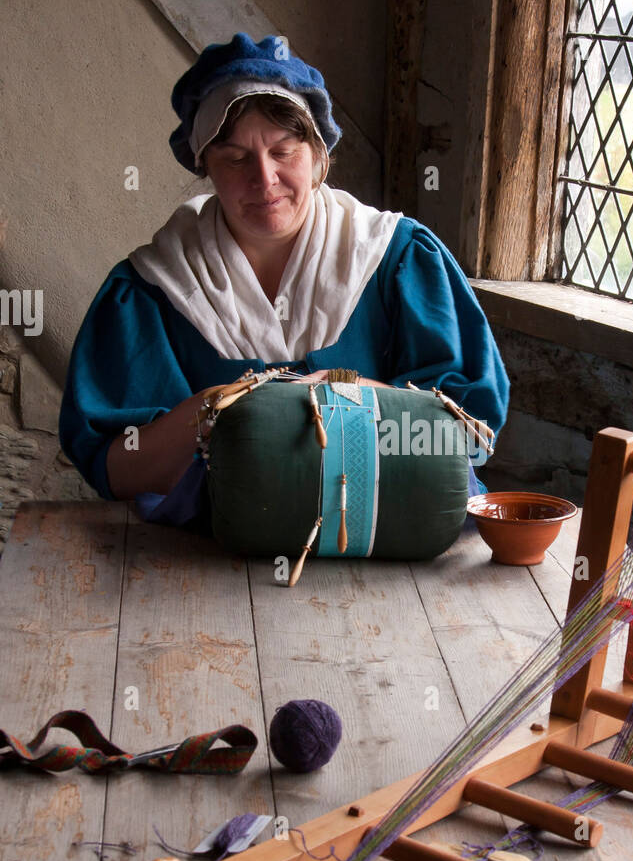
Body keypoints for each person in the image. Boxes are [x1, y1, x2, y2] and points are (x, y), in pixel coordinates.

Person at [59, 34, 509, 526]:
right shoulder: (153, 288)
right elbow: (114, 469)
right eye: (234, 159)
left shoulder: (396, 258)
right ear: (203, 165)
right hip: (209, 562)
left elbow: (470, 436)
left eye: (284, 151)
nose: (264, 178)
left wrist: (351, 394)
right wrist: (219, 412)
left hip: (388, 554)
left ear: (319, 155)